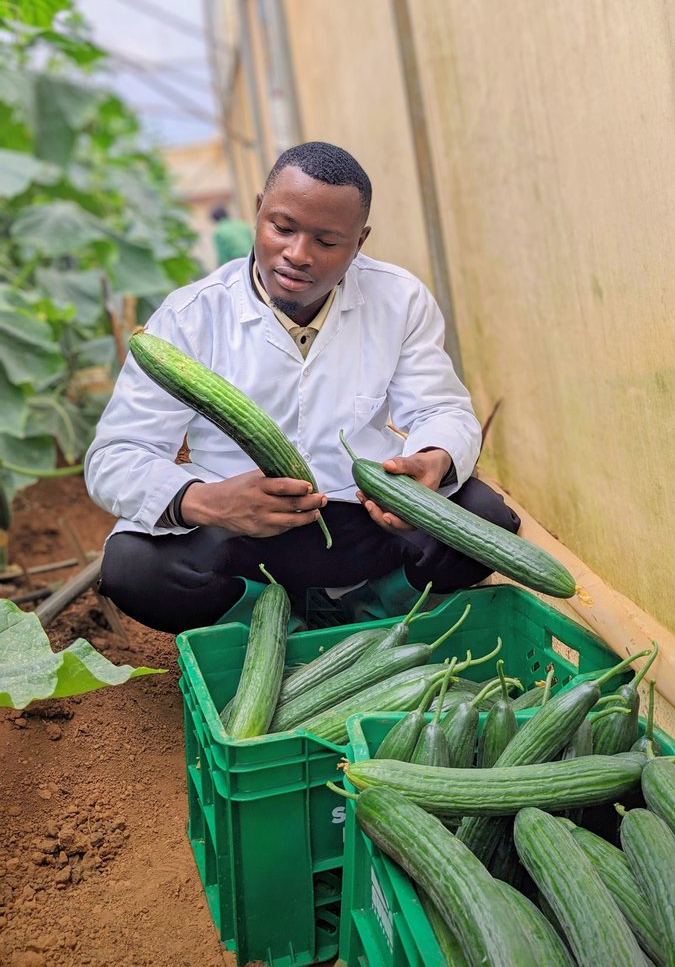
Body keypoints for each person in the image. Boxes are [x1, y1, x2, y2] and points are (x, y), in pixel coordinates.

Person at [84, 141, 519, 635]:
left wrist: (433, 460)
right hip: (238, 532)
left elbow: (442, 410)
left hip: (366, 517)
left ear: (360, 241)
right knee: (132, 567)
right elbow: (115, 455)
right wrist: (204, 500)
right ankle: (272, 626)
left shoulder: (399, 299)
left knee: (486, 520)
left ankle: (372, 615)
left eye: (327, 241)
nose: (297, 255)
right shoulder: (190, 317)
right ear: (258, 212)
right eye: (282, 228)